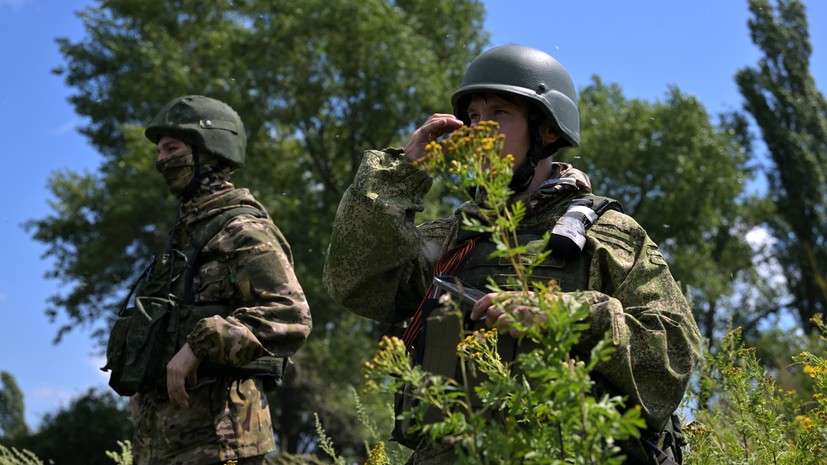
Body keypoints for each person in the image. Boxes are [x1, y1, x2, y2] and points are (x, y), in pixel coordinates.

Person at [323, 45, 702, 465]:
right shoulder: (452, 240)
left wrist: (561, 315)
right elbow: (355, 282)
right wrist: (402, 173)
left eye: (500, 113)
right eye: (473, 118)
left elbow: (674, 354)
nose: (479, 130)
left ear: (548, 130)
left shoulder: (607, 236)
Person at [103, 95, 312, 465]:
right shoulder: (183, 239)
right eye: (160, 151)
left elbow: (289, 315)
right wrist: (144, 383)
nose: (161, 160)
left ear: (209, 150)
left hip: (224, 441)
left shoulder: (242, 228)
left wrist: (197, 347)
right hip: (165, 444)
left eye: (172, 148)